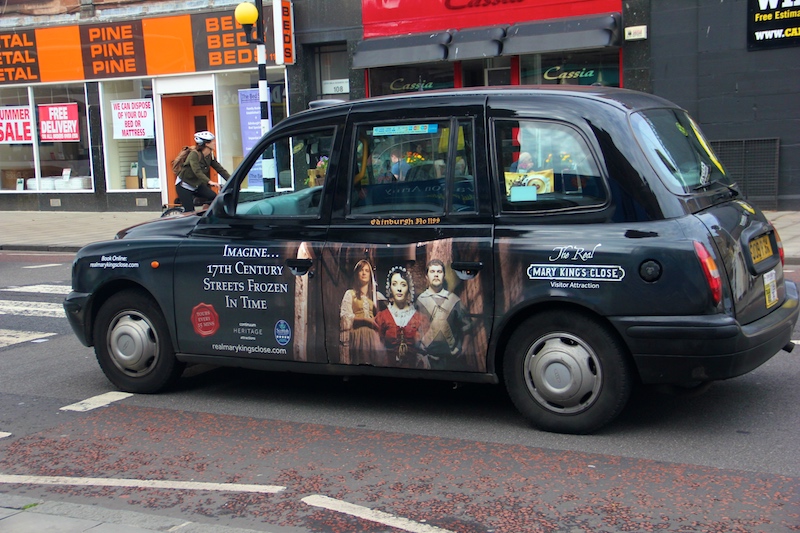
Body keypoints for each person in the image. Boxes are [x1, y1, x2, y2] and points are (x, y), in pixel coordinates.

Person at [415, 259, 472, 370]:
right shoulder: (419, 301)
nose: (436, 275)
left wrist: (464, 348)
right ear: (426, 276)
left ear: (444, 275)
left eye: (439, 272)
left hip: (451, 360)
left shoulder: (454, 301)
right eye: (432, 272)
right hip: (427, 360)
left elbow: (467, 328)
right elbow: (413, 329)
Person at [375, 266, 429, 369]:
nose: (399, 289)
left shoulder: (420, 319)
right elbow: (376, 351)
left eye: (403, 284)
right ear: (390, 288)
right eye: (394, 284)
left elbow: (425, 351)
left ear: (408, 289)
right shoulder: (381, 317)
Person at [339, 259, 383, 365]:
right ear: (356, 274)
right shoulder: (350, 294)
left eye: (367, 271)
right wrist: (366, 320)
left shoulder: (375, 298)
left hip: (373, 337)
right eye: (361, 270)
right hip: (358, 335)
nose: (364, 273)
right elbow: (345, 316)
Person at [175, 131, 230, 211]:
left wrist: (232, 180)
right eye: (212, 141)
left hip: (197, 184)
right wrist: (210, 182)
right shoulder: (194, 154)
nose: (214, 143)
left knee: (213, 197)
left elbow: (220, 169)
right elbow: (197, 171)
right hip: (184, 186)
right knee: (190, 212)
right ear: (206, 144)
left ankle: (205, 213)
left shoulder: (209, 155)